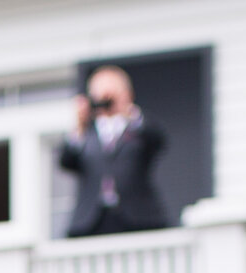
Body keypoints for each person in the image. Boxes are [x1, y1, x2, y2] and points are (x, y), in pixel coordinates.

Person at [58, 65, 170, 237]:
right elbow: (66, 161)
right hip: (92, 222)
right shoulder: (86, 134)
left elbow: (158, 140)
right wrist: (79, 128)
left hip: (138, 218)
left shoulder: (138, 128)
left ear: (127, 94)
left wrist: (129, 112)